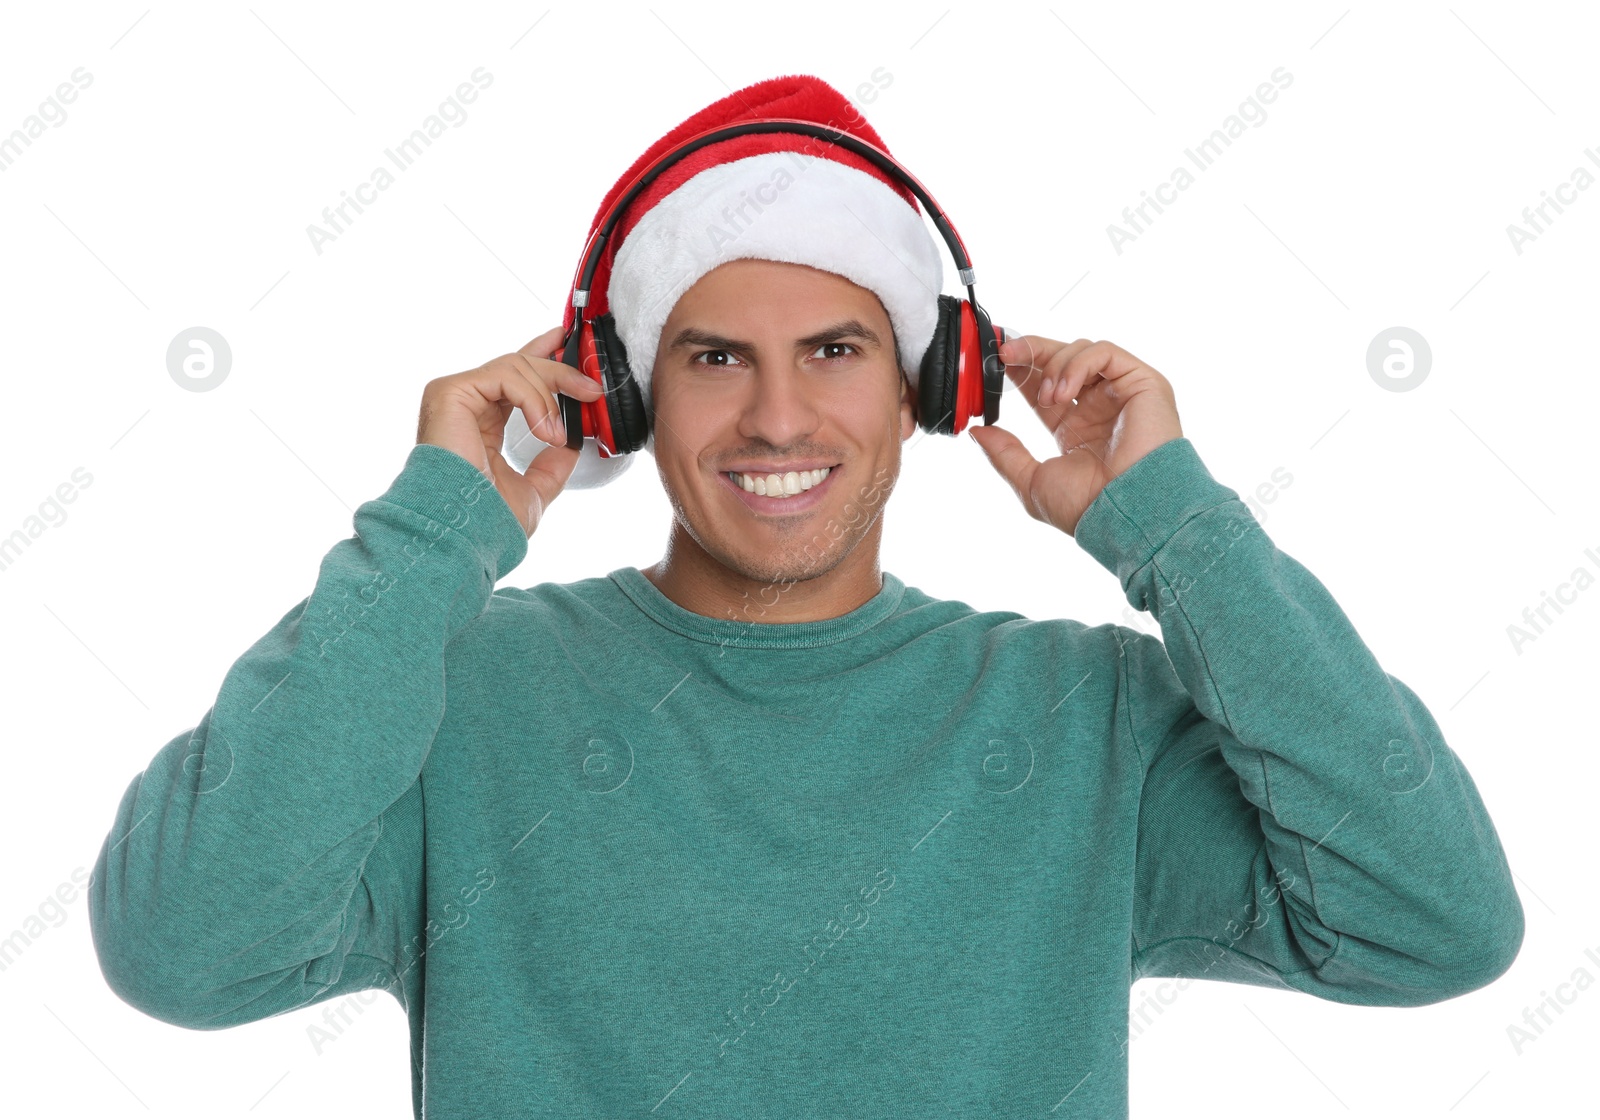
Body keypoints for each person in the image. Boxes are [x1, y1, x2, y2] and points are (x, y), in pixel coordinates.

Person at [87, 74, 1522, 1118]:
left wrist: (1180, 532)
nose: (778, 418)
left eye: (835, 350)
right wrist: (433, 531)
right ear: (628, 399)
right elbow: (181, 950)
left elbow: (1438, 924)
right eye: (714, 359)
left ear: (922, 395)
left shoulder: (1086, 720)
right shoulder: (452, 697)